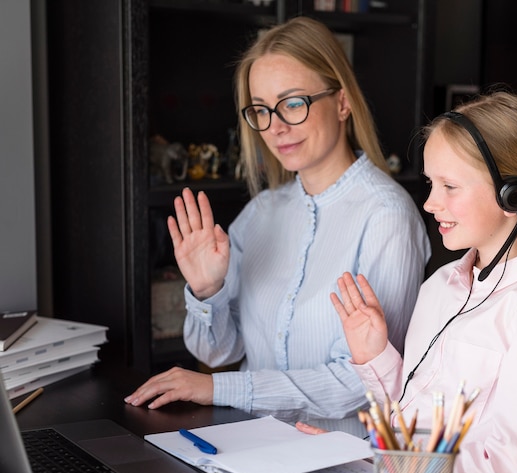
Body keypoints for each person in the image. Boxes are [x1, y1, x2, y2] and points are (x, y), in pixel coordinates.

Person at [124, 16, 431, 435]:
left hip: (336, 466)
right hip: (252, 447)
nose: (276, 127)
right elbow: (218, 351)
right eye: (261, 110)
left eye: (292, 103)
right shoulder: (261, 213)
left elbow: (360, 383)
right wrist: (206, 291)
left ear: (342, 102)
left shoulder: (387, 217)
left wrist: (218, 389)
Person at [321, 90, 517, 473]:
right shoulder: (440, 287)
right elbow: (406, 424)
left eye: (450, 186)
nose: (431, 203)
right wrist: (375, 356)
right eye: (433, 184)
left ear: (514, 195)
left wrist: (370, 459)